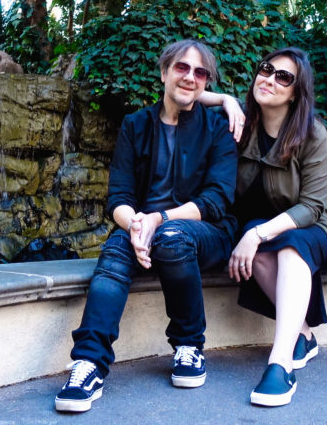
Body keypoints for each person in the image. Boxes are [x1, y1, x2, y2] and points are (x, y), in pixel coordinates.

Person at [55, 40, 238, 413]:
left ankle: (189, 345)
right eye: (181, 68)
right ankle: (88, 364)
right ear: (164, 72)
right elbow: (118, 197)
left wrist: (159, 219)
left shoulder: (218, 129)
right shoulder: (136, 125)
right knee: (115, 253)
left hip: (206, 231)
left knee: (170, 237)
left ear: (207, 83)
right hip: (143, 227)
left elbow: (216, 201)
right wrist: (136, 225)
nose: (190, 77)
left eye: (200, 72)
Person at [200, 46, 327, 407]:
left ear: (296, 92)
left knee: (286, 244)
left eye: (283, 77)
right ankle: (303, 333)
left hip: (323, 227)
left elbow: (313, 207)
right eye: (266, 69)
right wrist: (226, 98)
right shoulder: (242, 125)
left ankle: (280, 363)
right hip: (275, 226)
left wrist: (257, 233)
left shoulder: (312, 135)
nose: (269, 79)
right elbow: (189, 93)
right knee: (255, 244)